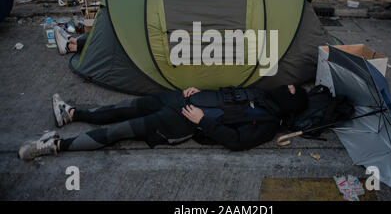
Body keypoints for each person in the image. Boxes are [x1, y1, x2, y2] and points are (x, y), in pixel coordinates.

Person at [18, 84, 308, 160]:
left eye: (292, 90)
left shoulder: (269, 124)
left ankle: (55, 146)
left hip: (182, 121)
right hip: (180, 99)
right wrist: (200, 91)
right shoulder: (263, 94)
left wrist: (202, 121)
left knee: (120, 131)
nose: (288, 86)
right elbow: (229, 93)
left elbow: (237, 142)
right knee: (125, 107)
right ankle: (71, 114)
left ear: (290, 103)